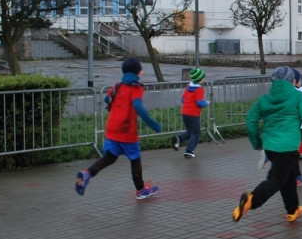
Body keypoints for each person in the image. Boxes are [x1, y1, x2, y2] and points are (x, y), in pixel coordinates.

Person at [234, 66, 302, 223]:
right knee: (277, 179)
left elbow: (250, 120)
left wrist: (257, 142)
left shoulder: (265, 99)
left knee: (289, 177)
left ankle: (292, 211)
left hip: (271, 146)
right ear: (293, 81)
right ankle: (252, 200)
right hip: (288, 146)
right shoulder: (298, 97)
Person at [75, 58, 162, 200]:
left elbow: (106, 99)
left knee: (110, 157)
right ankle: (141, 190)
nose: (142, 72)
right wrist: (153, 124)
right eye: (140, 70)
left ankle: (87, 174)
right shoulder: (136, 88)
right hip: (126, 130)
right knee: (135, 159)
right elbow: (138, 107)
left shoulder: (118, 86)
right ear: (136, 72)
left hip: (112, 129)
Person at [174, 67, 209, 158]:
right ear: (199, 79)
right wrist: (206, 102)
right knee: (196, 133)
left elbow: (183, 99)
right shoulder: (199, 89)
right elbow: (199, 102)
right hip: (193, 114)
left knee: (190, 131)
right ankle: (189, 151)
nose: (204, 79)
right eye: (203, 77)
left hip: (184, 112)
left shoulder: (188, 87)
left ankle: (179, 138)